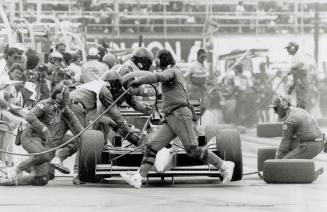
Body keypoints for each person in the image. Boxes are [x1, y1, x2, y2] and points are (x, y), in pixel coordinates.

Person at [120, 49, 235, 188]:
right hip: (170, 118)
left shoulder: (172, 71)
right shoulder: (170, 74)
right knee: (151, 147)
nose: (156, 65)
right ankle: (138, 177)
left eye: (158, 62)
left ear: (164, 62)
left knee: (193, 150)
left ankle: (224, 165)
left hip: (180, 114)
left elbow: (160, 76)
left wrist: (138, 81)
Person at [50, 70, 153, 184]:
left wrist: (143, 110)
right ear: (115, 85)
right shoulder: (105, 90)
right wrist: (127, 130)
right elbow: (114, 113)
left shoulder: (96, 85)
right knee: (84, 141)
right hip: (77, 107)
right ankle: (78, 175)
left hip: (67, 105)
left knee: (54, 139)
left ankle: (51, 165)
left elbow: (102, 116)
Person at [0, 82, 84, 186]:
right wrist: (45, 130)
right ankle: (15, 170)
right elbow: (30, 116)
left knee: (43, 179)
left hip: (45, 141)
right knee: (44, 155)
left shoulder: (65, 109)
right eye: (67, 96)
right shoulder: (45, 104)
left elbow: (76, 124)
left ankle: (19, 177)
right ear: (59, 97)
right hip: (31, 136)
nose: (69, 98)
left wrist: (86, 135)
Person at [271, 95, 324, 159]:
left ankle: (303, 168)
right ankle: (303, 167)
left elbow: (285, 143)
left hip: (310, 145)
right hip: (318, 142)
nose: (275, 112)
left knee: (284, 162)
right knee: (290, 146)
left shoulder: (290, 120)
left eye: (275, 109)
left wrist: (276, 159)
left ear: (281, 107)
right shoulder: (297, 110)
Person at [285, 42, 310, 109]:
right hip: (297, 79)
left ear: (293, 48)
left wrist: (291, 69)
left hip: (302, 78)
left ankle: (301, 112)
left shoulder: (300, 55)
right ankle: (299, 112)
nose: (287, 50)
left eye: (288, 48)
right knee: (298, 98)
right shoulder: (293, 57)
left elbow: (301, 64)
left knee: (301, 99)